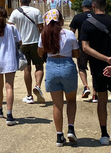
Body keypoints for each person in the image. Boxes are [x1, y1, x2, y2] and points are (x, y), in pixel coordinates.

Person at [80, 0, 111, 153]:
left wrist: (105, 59)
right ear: (106, 6)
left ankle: (104, 134)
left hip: (98, 68)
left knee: (101, 100)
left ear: (93, 6)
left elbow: (85, 48)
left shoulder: (87, 24)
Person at [38, 9, 80, 147]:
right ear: (60, 20)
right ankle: (71, 128)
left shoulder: (43, 35)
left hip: (51, 66)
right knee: (71, 100)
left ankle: (59, 136)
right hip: (67, 65)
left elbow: (40, 53)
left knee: (57, 104)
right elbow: (76, 54)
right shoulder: (69, 34)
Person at [8, 0, 45, 104]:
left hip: (22, 43)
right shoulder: (36, 11)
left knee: (27, 68)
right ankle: (37, 85)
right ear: (29, 1)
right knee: (39, 66)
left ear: (20, 1)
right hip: (36, 43)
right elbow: (41, 27)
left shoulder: (15, 12)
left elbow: (10, 26)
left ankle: (29, 95)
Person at [69, 0, 94, 100]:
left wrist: (72, 46)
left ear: (83, 7)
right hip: (95, 47)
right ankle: (95, 94)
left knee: (82, 67)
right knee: (95, 69)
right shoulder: (96, 16)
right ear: (92, 6)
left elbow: (71, 33)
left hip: (82, 45)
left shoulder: (78, 17)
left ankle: (86, 86)